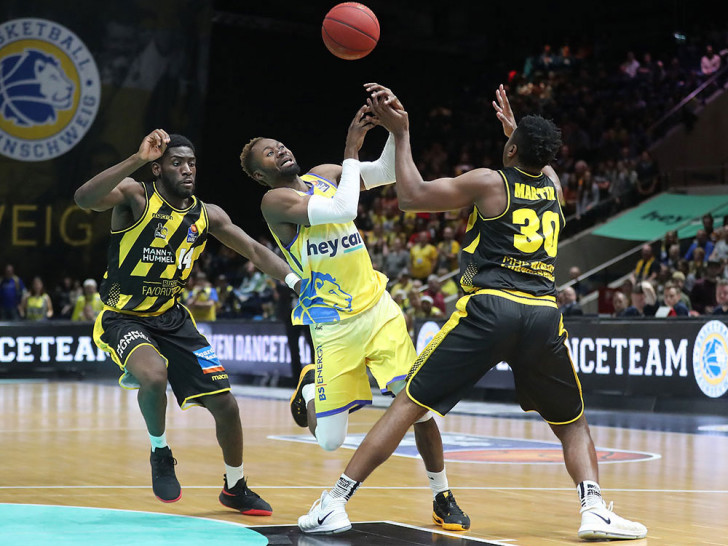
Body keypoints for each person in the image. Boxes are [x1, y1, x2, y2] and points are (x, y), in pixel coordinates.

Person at [295, 83, 646, 541]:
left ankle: (335, 501)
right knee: (572, 423)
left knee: (407, 405)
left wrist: (401, 134)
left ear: (513, 147)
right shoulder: (555, 186)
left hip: (492, 308)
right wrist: (516, 129)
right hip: (542, 313)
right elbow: (538, 160)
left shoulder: (491, 182)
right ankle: (594, 507)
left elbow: (412, 197)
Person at [240, 106, 468, 532]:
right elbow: (344, 210)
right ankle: (310, 389)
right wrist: (349, 146)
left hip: (378, 309)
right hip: (333, 325)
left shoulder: (326, 172)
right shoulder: (275, 201)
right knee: (330, 440)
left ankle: (442, 495)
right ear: (260, 175)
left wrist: (399, 124)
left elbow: (386, 170)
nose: (281, 151)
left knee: (419, 406)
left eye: (280, 145)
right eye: (269, 154)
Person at [74, 129, 297, 514]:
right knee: (154, 375)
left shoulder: (207, 215)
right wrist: (136, 158)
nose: (187, 169)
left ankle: (235, 486)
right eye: (177, 163)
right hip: (123, 316)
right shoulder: (136, 196)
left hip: (174, 319)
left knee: (226, 404)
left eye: (192, 163)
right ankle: (160, 451)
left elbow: (256, 252)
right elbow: (84, 199)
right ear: (157, 168)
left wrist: (298, 283)